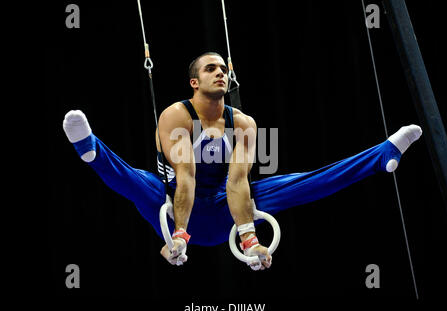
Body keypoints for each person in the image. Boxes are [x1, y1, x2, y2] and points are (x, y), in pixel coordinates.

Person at [63, 52, 422, 271]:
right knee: (141, 181)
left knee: (292, 182)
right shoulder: (176, 115)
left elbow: (237, 183)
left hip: (225, 211)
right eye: (210, 69)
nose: (220, 73)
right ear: (194, 81)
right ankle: (92, 150)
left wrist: (249, 240)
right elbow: (185, 177)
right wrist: (179, 235)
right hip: (172, 206)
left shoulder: (244, 123)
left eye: (223, 68)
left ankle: (381, 155)